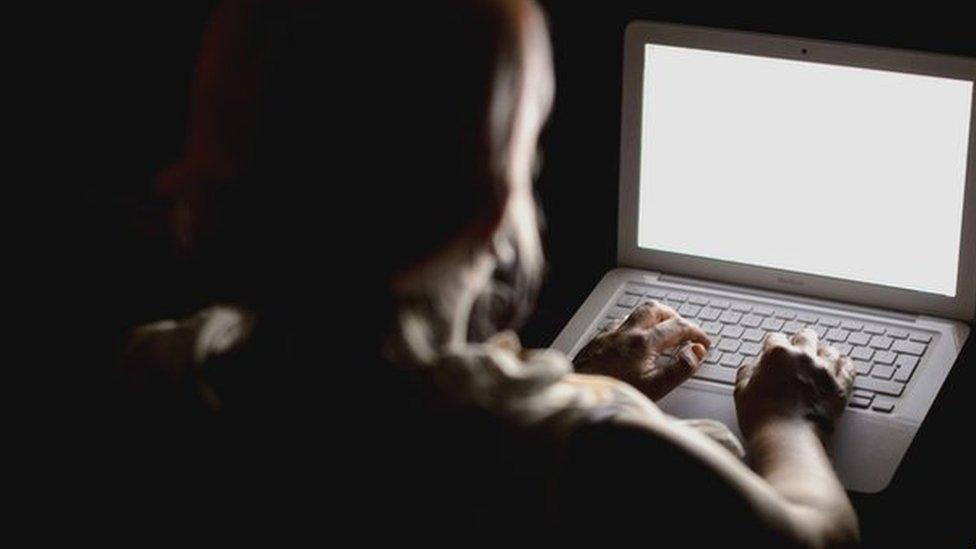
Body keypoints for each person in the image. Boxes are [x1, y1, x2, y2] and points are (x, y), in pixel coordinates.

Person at [119, 0, 858, 544]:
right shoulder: (597, 449)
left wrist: (581, 379)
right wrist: (788, 419)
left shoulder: (156, 369)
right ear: (497, 194)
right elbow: (817, 537)